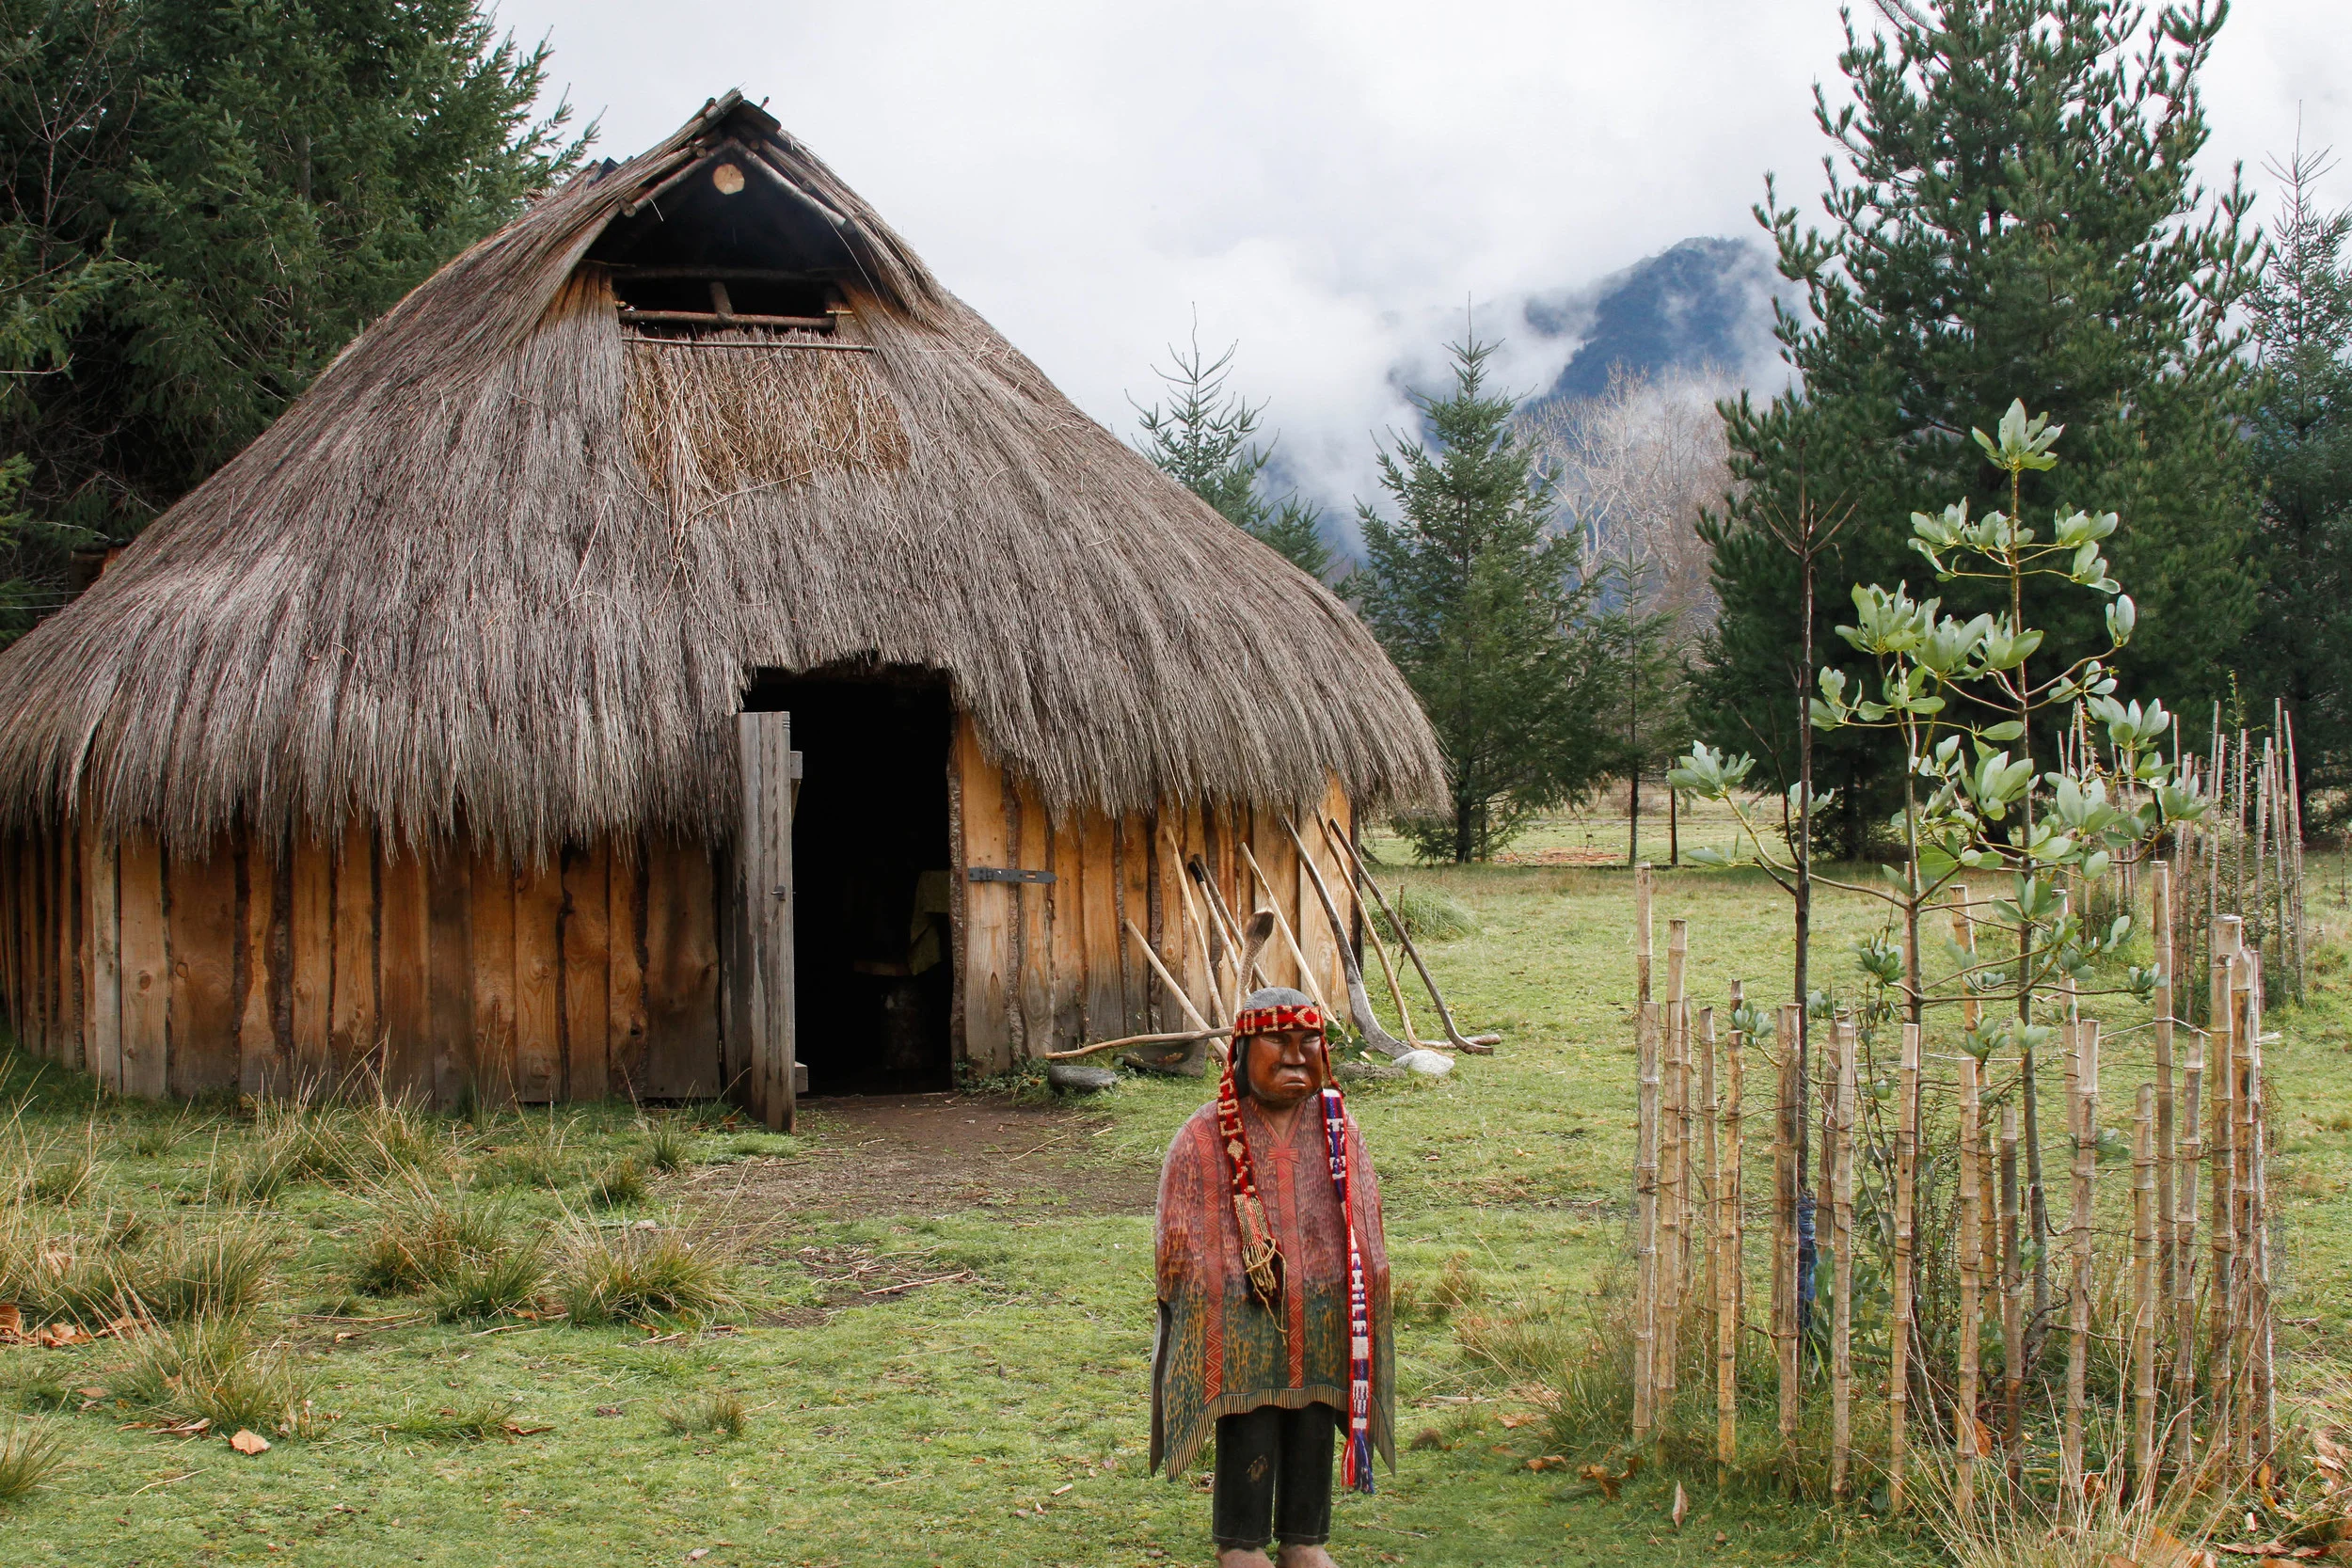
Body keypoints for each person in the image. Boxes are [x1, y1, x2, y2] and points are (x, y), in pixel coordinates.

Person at [1152, 987, 1393, 1567]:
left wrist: (1360, 1279)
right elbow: (1179, 1232)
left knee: (1314, 1418)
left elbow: (1365, 1215)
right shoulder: (1203, 1134)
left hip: (1324, 1309)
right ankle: (1241, 1544)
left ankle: (1304, 1540)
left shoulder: (1338, 1128)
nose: (1295, 1057)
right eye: (1278, 1043)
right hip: (1244, 1314)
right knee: (1250, 1418)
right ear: (1242, 1051)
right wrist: (1228, 1281)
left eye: (1308, 1042)